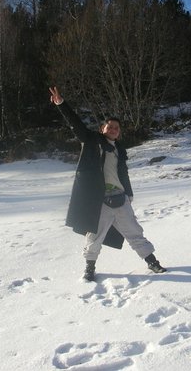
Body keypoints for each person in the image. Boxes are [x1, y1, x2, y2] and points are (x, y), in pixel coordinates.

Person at [49, 86, 166, 281]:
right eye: (109, 126)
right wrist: (62, 104)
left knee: (135, 233)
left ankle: (152, 262)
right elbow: (76, 125)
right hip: (100, 201)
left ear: (119, 133)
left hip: (121, 199)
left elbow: (123, 173)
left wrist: (129, 193)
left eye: (116, 128)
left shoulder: (119, 149)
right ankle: (89, 268)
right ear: (102, 129)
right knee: (94, 237)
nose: (113, 129)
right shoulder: (92, 141)